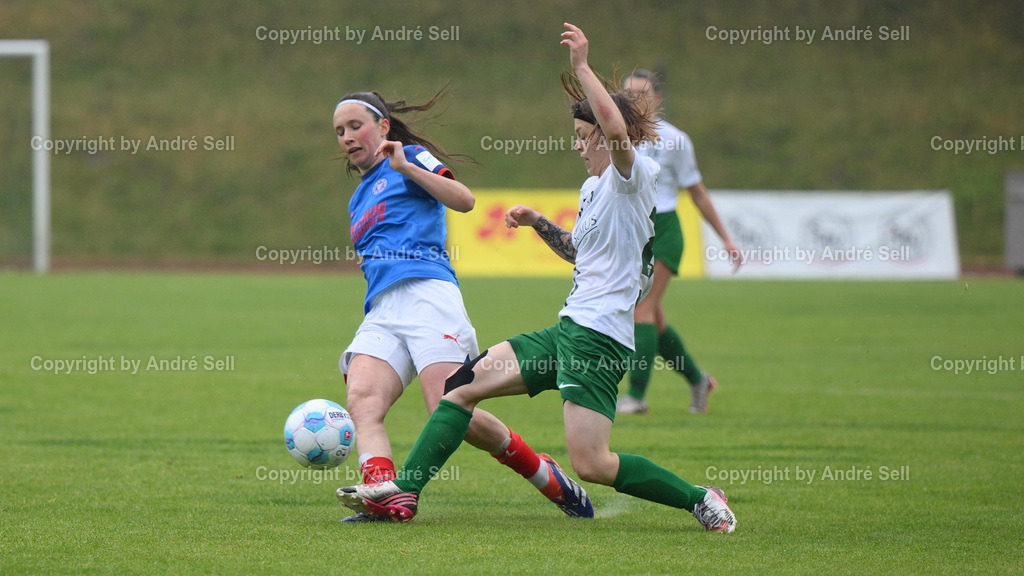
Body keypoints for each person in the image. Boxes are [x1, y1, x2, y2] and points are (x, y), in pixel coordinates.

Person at [336, 23, 736, 533]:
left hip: (599, 342)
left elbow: (615, 129)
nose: (578, 148)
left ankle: (699, 497)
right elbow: (578, 253)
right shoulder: (594, 191)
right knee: (461, 387)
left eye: (581, 137)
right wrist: (537, 223)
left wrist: (583, 68)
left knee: (594, 463)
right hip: (568, 329)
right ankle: (403, 496)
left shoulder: (632, 178)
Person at [332, 89, 593, 521]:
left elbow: (464, 199)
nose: (346, 136)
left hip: (429, 297)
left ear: (382, 127)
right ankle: (385, 497)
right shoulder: (358, 196)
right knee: (362, 399)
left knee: (451, 409)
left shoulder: (411, 157)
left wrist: (405, 168)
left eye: (355, 125)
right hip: (382, 308)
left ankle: (544, 473)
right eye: (339, 131)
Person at [616, 70, 743, 415]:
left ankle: (636, 397)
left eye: (641, 93)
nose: (633, 99)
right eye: (627, 93)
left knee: (640, 311)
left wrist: (727, 239)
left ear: (657, 99)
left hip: (665, 231)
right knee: (654, 320)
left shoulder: (675, 141)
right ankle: (698, 380)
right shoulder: (618, 135)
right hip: (634, 233)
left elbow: (697, 193)